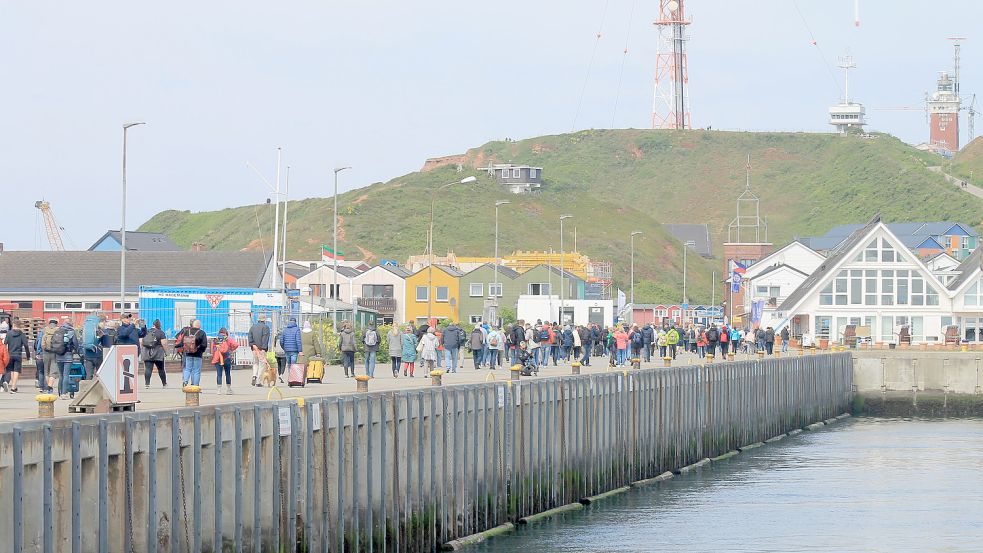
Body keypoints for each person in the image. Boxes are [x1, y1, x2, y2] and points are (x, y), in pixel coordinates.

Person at [52, 317, 79, 399]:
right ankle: (64, 393)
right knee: (66, 374)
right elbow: (75, 343)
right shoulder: (71, 331)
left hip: (58, 355)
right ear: (70, 323)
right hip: (68, 355)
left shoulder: (58, 330)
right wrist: (76, 351)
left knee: (61, 375)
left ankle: (60, 393)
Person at [2, 319, 30, 393]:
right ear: (19, 326)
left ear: (13, 325)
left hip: (10, 354)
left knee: (10, 370)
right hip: (18, 355)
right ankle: (13, 388)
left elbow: (4, 344)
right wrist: (28, 356)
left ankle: (7, 382)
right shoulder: (22, 334)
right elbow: (26, 345)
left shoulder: (9, 333)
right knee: (16, 371)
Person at [210, 327, 237, 394]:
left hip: (218, 358)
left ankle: (219, 390)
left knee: (219, 374)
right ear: (226, 333)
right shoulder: (228, 339)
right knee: (227, 373)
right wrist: (231, 350)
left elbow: (212, 350)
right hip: (226, 357)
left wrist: (214, 356)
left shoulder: (216, 339)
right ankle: (228, 389)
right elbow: (236, 345)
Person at [142, 319, 167, 388]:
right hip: (158, 352)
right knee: (161, 369)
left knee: (148, 369)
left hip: (147, 352)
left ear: (153, 325)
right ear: (159, 325)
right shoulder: (161, 332)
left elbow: (141, 341)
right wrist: (166, 351)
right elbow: (164, 343)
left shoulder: (147, 331)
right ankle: (164, 384)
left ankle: (147, 384)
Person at [181, 319, 207, 387]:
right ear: (199, 325)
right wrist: (201, 350)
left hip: (188, 353)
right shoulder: (202, 333)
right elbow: (204, 345)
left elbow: (182, 342)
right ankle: (195, 385)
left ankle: (185, 381)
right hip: (198, 354)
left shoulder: (187, 331)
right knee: (196, 371)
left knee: (187, 368)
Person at [248, 314, 272, 387]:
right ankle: (258, 381)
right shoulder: (266, 327)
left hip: (254, 349)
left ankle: (254, 375)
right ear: (264, 320)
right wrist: (263, 348)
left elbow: (250, 337)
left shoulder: (252, 327)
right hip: (261, 349)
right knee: (262, 364)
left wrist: (252, 345)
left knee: (255, 363)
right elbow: (265, 339)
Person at [39, 318, 59, 392]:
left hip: (45, 352)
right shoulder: (58, 330)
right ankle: (50, 387)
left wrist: (38, 352)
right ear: (56, 324)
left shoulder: (44, 330)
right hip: (55, 353)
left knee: (46, 371)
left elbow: (39, 342)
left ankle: (47, 387)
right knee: (53, 371)